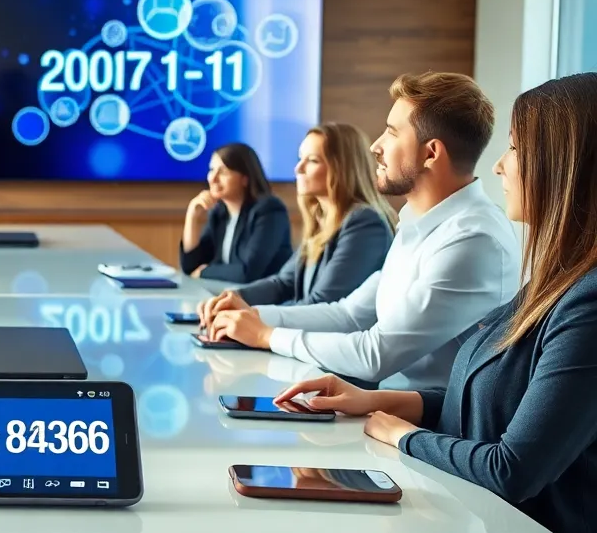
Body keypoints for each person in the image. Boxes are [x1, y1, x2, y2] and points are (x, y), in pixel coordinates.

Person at [274, 72, 597, 533]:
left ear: (562, 166)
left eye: (515, 149)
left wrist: (401, 435)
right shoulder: (552, 283)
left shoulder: (585, 299)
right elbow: (494, 404)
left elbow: (513, 468)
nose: (500, 167)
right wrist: (379, 401)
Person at [207, 72, 521, 391]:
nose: (375, 146)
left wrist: (266, 335)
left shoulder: (473, 238)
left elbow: (375, 355)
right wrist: (251, 316)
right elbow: (350, 315)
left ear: (431, 153)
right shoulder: (417, 222)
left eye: (392, 133)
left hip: (428, 431)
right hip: (385, 412)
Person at [199, 123, 395, 319]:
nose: (298, 168)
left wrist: (251, 316)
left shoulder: (364, 223)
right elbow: (284, 283)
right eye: (300, 159)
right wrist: (232, 297)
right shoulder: (322, 220)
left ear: (342, 168)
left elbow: (322, 304)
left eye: (312, 161)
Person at [179, 142, 292, 282]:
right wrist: (192, 216)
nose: (213, 179)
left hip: (265, 300)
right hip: (230, 293)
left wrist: (204, 272)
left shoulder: (269, 210)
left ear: (245, 179)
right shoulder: (219, 213)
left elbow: (247, 272)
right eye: (212, 170)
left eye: (223, 172)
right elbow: (190, 267)